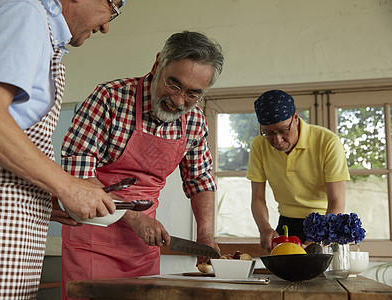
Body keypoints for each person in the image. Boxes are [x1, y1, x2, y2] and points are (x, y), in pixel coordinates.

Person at [0, 0, 126, 298]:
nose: (106, 25)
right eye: (114, 6)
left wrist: (40, 197)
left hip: (8, 224)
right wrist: (69, 186)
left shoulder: (41, 31)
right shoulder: (25, 13)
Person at [60, 30, 224, 295]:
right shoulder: (110, 99)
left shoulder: (194, 121)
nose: (179, 101)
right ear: (158, 63)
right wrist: (134, 218)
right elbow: (76, 174)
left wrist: (206, 234)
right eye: (174, 85)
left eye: (193, 94)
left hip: (143, 247)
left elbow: (200, 180)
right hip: (92, 241)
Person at [247, 90, 350, 252]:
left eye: (283, 130)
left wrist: (320, 238)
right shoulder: (259, 145)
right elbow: (258, 197)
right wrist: (264, 228)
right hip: (286, 225)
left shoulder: (328, 142)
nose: (277, 141)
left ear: (295, 117)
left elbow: (336, 201)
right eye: (268, 133)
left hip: (323, 224)